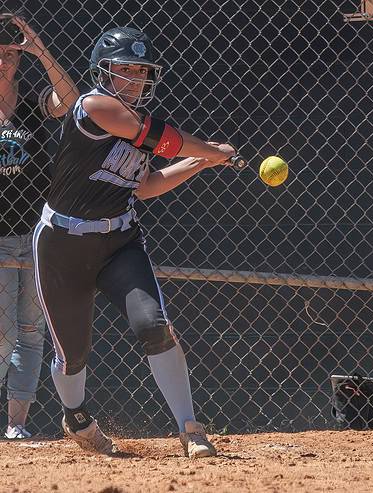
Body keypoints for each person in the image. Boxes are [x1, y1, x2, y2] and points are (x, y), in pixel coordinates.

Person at [32, 26, 241, 457]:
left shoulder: (137, 125)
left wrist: (200, 162)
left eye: (140, 71)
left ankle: (190, 429)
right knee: (72, 354)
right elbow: (162, 139)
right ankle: (76, 417)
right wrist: (210, 150)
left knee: (153, 325)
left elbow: (144, 185)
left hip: (118, 241)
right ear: (102, 72)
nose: (133, 79)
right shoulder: (95, 105)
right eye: (123, 69)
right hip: (62, 244)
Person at [0, 12, 79, 439]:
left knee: (31, 332)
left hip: (33, 236)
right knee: (2, 333)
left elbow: (69, 100)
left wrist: (38, 47)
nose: (3, 61)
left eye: (9, 54)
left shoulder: (31, 103)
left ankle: (16, 425)